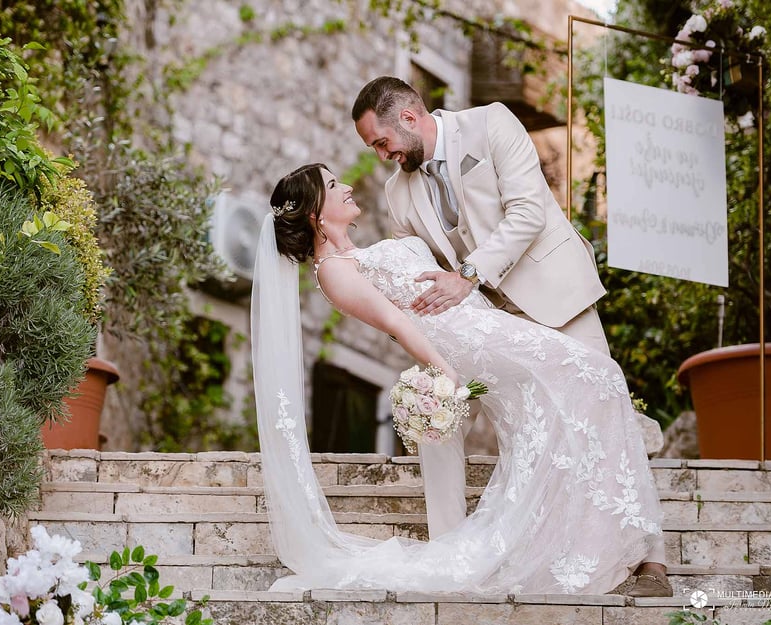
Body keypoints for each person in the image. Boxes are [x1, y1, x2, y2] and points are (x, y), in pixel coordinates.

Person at [251, 162, 672, 596]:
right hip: (470, 342)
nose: (347, 186)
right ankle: (605, 543)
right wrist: (444, 368)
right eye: (333, 184)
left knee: (574, 399)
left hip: (484, 325)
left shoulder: (358, 253)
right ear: (315, 213)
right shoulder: (333, 270)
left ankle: (591, 538)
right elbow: (396, 322)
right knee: (600, 373)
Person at [352, 76, 663, 539]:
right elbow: (419, 265)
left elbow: (528, 213)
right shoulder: (398, 191)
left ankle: (648, 552)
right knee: (454, 420)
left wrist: (468, 275)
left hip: (555, 294)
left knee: (603, 408)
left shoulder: (491, 123)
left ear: (410, 118)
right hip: (486, 323)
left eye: (382, 142)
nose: (382, 155)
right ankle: (454, 544)